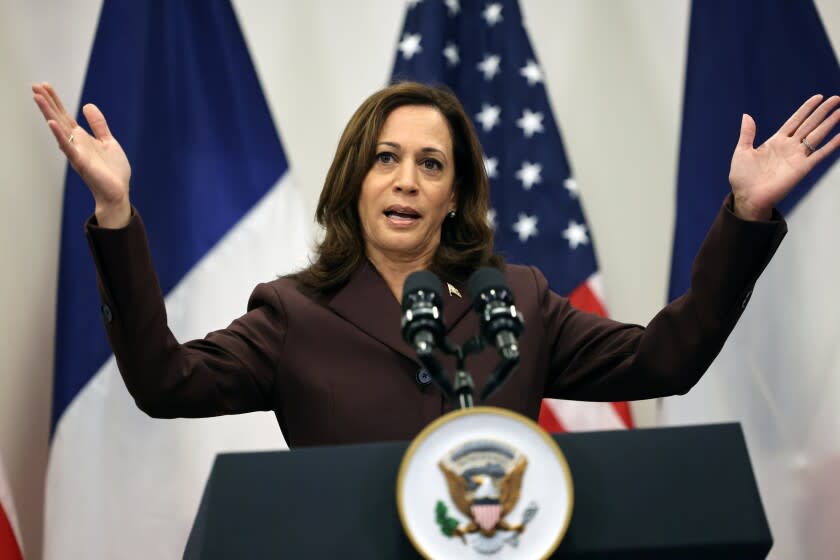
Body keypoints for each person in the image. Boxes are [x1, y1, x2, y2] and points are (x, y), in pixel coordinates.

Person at [33, 81, 840, 446]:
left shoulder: (517, 302)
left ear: (455, 194)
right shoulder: (289, 315)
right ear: (355, 181)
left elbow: (668, 359)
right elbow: (164, 383)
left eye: (430, 163)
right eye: (385, 159)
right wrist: (115, 214)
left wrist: (746, 216)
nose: (406, 180)